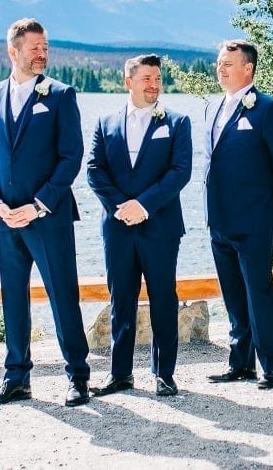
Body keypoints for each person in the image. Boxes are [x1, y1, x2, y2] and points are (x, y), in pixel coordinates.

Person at [0, 17, 91, 406]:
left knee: (62, 296)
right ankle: (16, 377)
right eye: (34, 48)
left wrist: (37, 205)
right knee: (13, 298)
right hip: (4, 220)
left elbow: (71, 157)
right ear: (13, 51)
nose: (42, 54)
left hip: (48, 217)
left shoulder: (60, 95)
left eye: (46, 48)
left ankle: (78, 376)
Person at [86, 55, 192, 397]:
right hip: (117, 227)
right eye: (146, 77)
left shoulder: (177, 122)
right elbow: (93, 170)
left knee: (164, 299)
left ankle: (164, 374)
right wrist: (122, 207)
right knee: (122, 301)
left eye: (158, 78)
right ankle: (120, 374)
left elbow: (179, 172)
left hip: (159, 226)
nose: (154, 84)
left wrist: (143, 205)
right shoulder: (105, 123)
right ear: (128, 81)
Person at [204, 40, 273, 389]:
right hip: (219, 219)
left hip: (255, 220)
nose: (221, 69)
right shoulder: (213, 107)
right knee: (232, 295)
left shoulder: (268, 109)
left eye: (229, 63)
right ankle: (240, 362)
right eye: (219, 63)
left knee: (259, 293)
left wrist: (271, 205)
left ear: (248, 69)